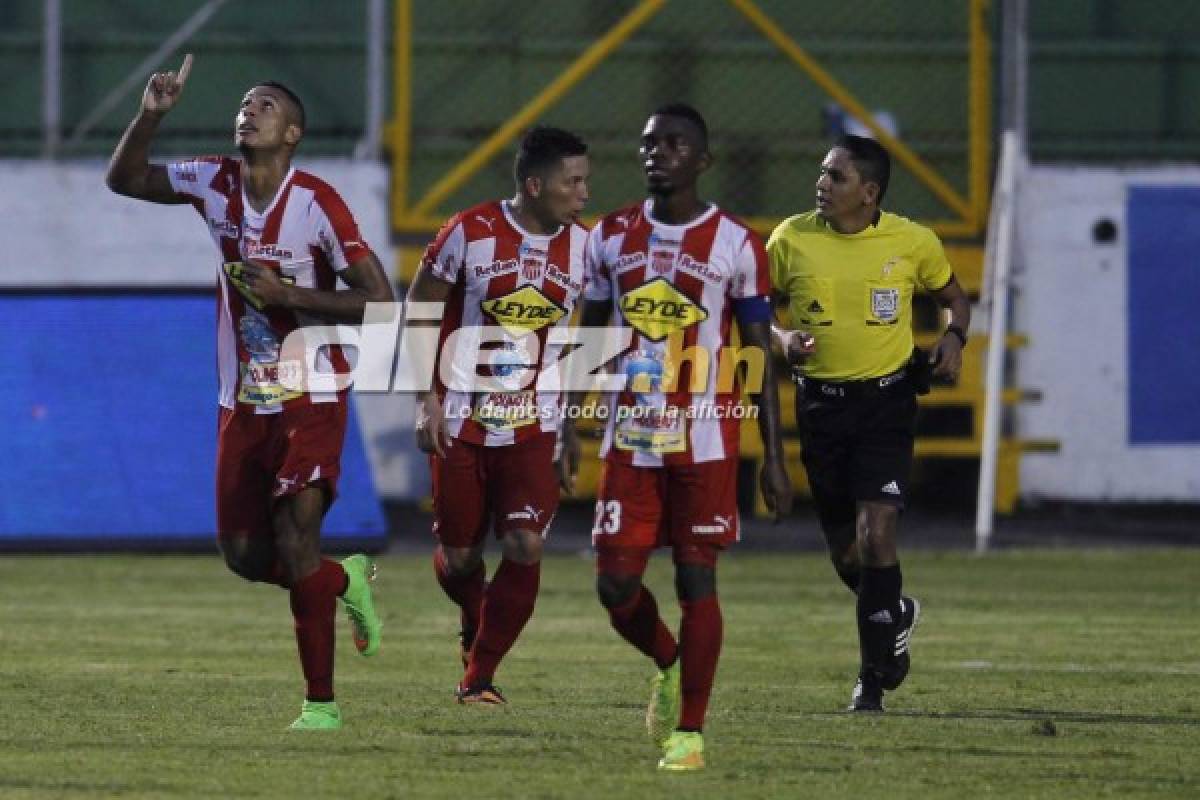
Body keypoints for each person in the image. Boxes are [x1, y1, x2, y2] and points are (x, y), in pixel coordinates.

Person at [106, 54, 392, 730]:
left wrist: (288, 292)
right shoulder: (212, 180)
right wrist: (150, 116)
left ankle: (320, 707)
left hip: (312, 391)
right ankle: (343, 580)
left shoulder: (317, 202)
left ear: (292, 132)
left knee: (296, 538)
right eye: (244, 102)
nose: (249, 110)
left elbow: (380, 300)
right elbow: (123, 180)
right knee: (243, 557)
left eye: (265, 104)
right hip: (243, 401)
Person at [574, 103, 791, 771]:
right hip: (629, 442)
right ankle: (668, 662)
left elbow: (756, 352)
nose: (657, 153)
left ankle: (690, 732)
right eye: (647, 143)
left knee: (697, 578)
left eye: (673, 144)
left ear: (703, 159)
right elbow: (589, 342)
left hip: (707, 440)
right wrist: (566, 431)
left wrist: (776, 458)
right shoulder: (608, 237)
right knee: (614, 588)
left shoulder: (736, 243)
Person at [767, 134, 971, 712]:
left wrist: (954, 336)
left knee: (875, 532)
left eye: (836, 177)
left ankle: (871, 680)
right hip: (820, 408)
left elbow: (957, 299)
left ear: (870, 191)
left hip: (885, 405)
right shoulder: (790, 238)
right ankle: (895, 611)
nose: (822, 184)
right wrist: (782, 338)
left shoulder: (912, 241)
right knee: (847, 556)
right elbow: (756, 310)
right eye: (822, 173)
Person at [406, 126, 590, 705]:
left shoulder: (586, 249)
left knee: (524, 543)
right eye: (573, 181)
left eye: (586, 180)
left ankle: (478, 675)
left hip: (535, 423)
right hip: (460, 418)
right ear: (535, 185)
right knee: (461, 559)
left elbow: (578, 341)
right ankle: (473, 619)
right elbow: (421, 305)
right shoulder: (469, 231)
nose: (584, 192)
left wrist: (572, 424)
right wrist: (422, 397)